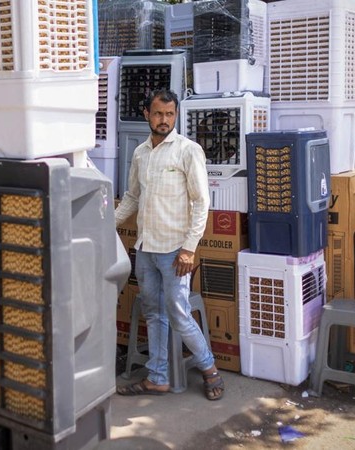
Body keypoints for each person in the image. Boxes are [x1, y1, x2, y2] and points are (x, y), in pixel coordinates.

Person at [114, 89, 225, 401]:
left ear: (176, 116)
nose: (164, 120)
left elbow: (201, 203)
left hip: (176, 250)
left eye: (170, 114)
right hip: (146, 247)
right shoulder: (140, 153)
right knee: (154, 312)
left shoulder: (188, 151)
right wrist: (106, 223)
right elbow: (133, 197)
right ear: (147, 114)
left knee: (177, 314)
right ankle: (158, 378)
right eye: (158, 113)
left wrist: (190, 248)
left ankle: (210, 369)